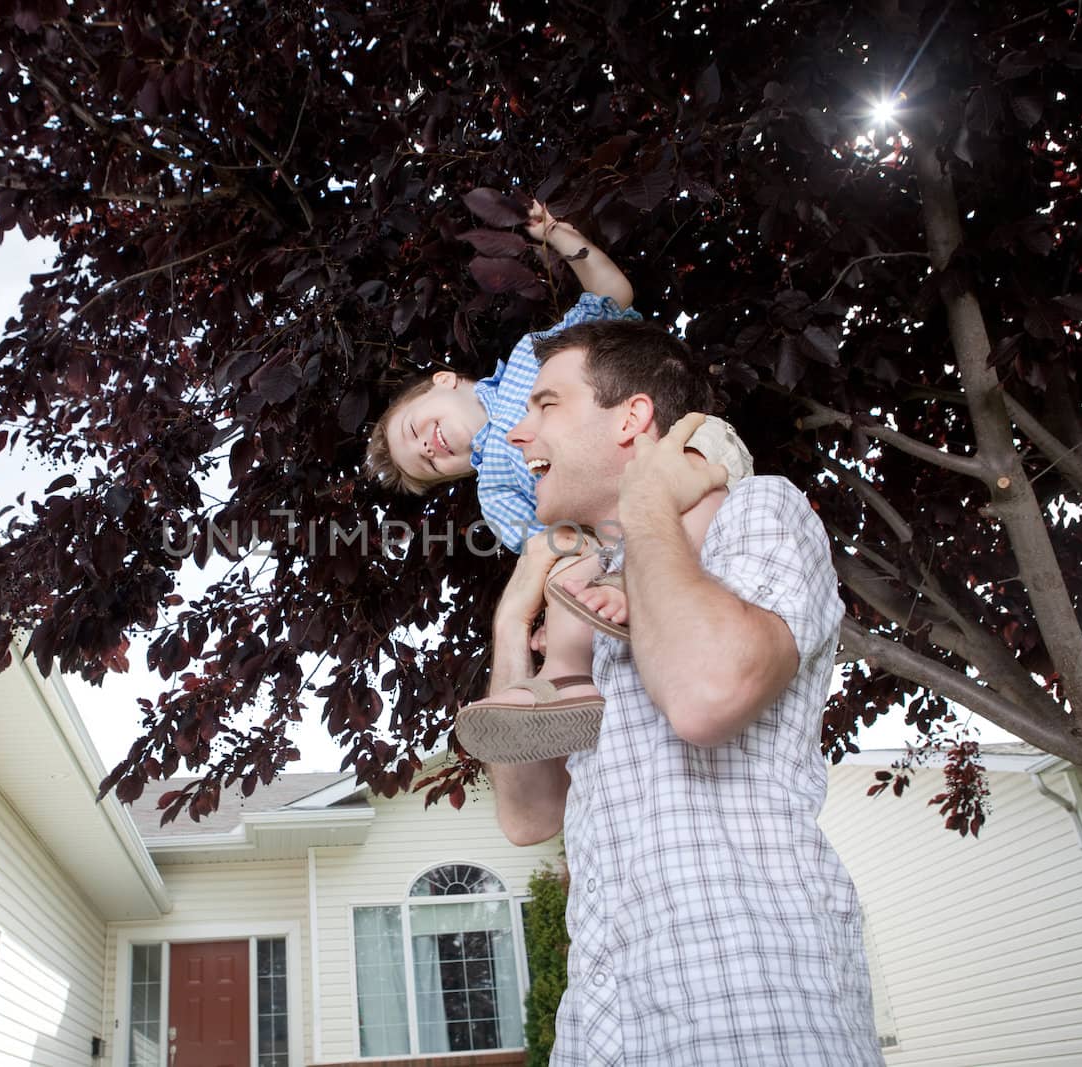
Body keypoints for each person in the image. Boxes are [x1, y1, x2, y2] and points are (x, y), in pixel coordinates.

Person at [484, 319, 882, 1064]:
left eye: (545, 404)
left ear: (632, 418)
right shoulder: (586, 581)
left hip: (748, 997)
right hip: (602, 1019)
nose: (517, 433)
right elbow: (529, 814)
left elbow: (704, 697)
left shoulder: (756, 509)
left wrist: (645, 507)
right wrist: (514, 620)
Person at [365, 202, 752, 762]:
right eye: (426, 463)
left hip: (672, 460)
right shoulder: (494, 489)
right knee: (558, 563)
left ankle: (628, 589)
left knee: (695, 468)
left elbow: (613, 297)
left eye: (416, 429)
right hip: (608, 535)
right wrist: (568, 585)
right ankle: (566, 678)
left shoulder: (534, 356)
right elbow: (547, 544)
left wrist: (560, 238)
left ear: (443, 380)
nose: (428, 447)